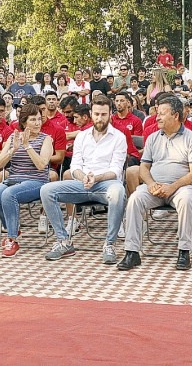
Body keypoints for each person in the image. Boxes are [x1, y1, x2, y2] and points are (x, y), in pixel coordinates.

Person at [118, 96, 192, 272]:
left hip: (179, 188)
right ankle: (132, 252)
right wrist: (150, 184)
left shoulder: (191, 138)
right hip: (154, 187)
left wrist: (173, 186)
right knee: (135, 199)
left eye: (162, 114)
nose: (157, 117)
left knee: (187, 199)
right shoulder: (153, 138)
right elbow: (143, 168)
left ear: (176, 116)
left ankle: (184, 250)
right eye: (157, 113)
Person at [41, 95, 127, 263]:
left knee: (118, 191)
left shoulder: (119, 137)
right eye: (96, 114)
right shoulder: (82, 136)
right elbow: (75, 166)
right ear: (91, 114)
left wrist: (97, 178)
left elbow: (116, 170)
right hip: (82, 183)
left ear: (110, 114)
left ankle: (109, 244)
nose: (100, 118)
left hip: (106, 184)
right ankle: (63, 241)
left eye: (103, 114)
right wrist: (83, 177)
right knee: (46, 190)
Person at [0, 103, 54, 257]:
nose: (38, 123)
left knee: (9, 194)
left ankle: (12, 239)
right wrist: (14, 149)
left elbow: (41, 165)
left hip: (37, 181)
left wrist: (28, 146)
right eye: (33, 120)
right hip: (14, 179)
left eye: (39, 119)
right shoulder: (13, 137)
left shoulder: (46, 139)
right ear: (24, 122)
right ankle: (13, 227)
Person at [111, 92, 143, 166]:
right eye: (117, 101)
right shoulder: (111, 120)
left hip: (129, 153)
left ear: (128, 102)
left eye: (122, 101)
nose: (119, 103)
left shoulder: (136, 120)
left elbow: (136, 142)